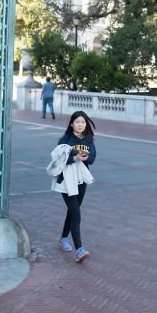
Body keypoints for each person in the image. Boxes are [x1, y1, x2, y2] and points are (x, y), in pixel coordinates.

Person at [52, 111, 97, 262]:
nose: (80, 125)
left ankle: (63, 238)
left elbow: (92, 159)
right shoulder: (65, 139)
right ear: (71, 124)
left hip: (81, 180)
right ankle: (79, 250)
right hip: (66, 180)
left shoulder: (89, 140)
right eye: (77, 122)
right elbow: (59, 159)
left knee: (72, 212)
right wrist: (74, 158)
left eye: (83, 122)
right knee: (76, 213)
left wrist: (84, 156)